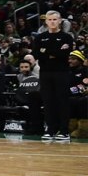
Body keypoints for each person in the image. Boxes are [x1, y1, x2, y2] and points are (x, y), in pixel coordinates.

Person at [33, 10, 75, 141]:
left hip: (61, 73)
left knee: (62, 101)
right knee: (48, 102)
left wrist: (47, 52)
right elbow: (37, 55)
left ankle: (64, 131)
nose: (52, 22)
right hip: (45, 73)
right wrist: (55, 52)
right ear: (46, 21)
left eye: (55, 19)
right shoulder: (39, 38)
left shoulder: (67, 37)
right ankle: (50, 129)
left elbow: (64, 54)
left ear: (60, 21)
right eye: (49, 19)